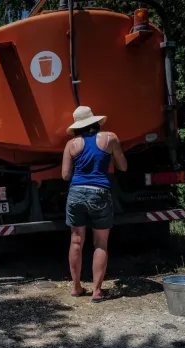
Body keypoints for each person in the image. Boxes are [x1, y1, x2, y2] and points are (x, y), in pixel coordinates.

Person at [61, 106, 128, 303]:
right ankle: (97, 292)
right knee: (100, 243)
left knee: (76, 242)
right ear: (95, 122)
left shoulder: (71, 144)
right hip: (100, 193)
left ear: (76, 126)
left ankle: (76, 288)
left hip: (76, 193)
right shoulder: (110, 138)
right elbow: (123, 166)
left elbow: (65, 176)